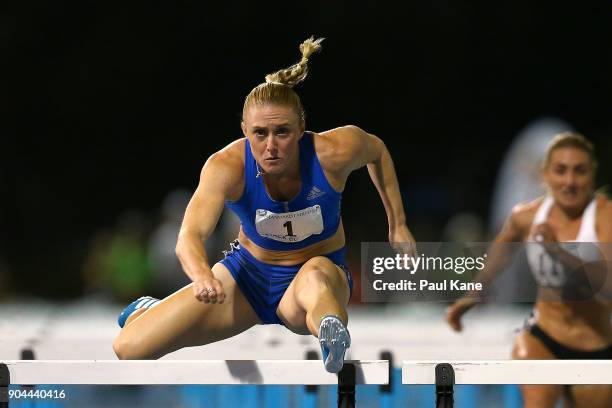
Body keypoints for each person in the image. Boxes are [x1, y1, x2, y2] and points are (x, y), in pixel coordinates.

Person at [112, 37, 415, 373]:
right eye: (259, 134)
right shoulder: (226, 166)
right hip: (248, 279)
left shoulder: (333, 151)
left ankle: (331, 331)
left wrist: (398, 223)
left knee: (315, 279)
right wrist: (202, 277)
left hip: (313, 274)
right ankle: (150, 309)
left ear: (301, 127)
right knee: (129, 348)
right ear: (244, 131)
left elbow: (377, 152)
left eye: (282, 132)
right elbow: (190, 236)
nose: (271, 146)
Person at [446, 132, 612, 407]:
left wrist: (559, 252)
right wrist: (469, 297)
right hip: (543, 338)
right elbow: (499, 254)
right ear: (545, 175)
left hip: (594, 344)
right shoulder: (526, 216)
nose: (569, 181)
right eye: (560, 171)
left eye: (579, 171)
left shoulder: (604, 217)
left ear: (591, 174)